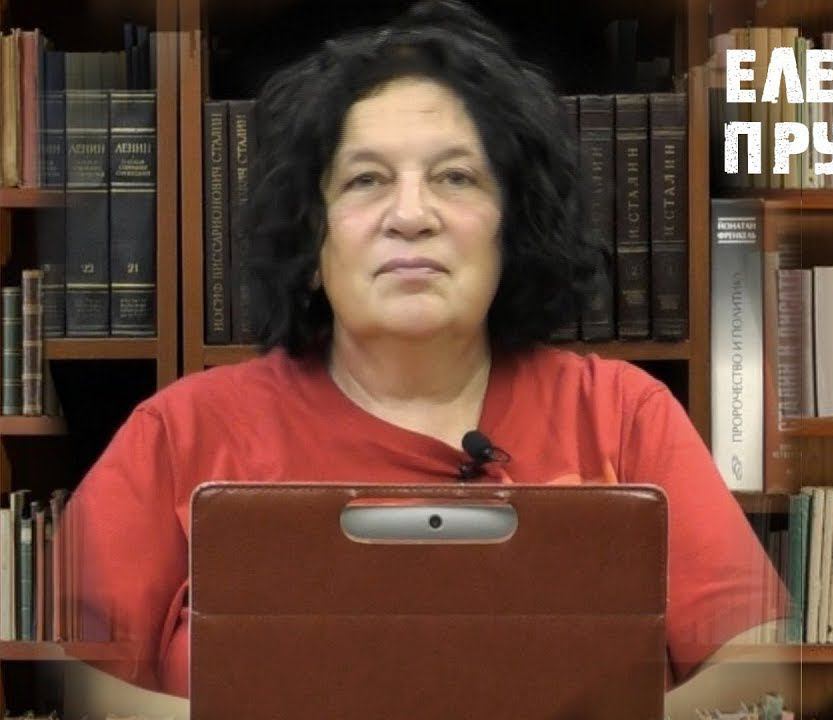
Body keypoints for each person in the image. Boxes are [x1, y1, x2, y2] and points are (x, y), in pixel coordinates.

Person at [64, 0, 788, 712]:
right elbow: (73, 680)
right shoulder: (182, 432)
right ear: (310, 242)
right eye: (366, 180)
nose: (411, 216)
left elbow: (760, 661)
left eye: (455, 177)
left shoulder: (621, 415)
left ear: (513, 231)